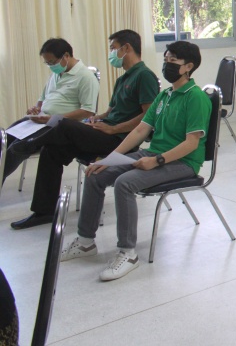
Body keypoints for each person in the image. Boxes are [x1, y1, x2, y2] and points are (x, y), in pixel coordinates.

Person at [59, 41, 211, 282]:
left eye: (173, 61)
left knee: (125, 183)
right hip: (154, 153)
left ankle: (128, 253)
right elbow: (141, 130)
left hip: (182, 162)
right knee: (96, 173)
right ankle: (86, 241)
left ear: (188, 67)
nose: (167, 64)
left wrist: (157, 160)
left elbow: (191, 143)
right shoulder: (165, 95)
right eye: (166, 59)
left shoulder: (196, 97)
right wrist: (110, 159)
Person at [9, 30, 160, 230]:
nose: (111, 53)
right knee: (52, 150)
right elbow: (111, 111)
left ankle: (29, 144)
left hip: (120, 141)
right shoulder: (123, 79)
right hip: (105, 132)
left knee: (64, 124)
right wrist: (97, 118)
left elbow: (148, 116)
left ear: (127, 48)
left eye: (113, 48)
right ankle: (44, 212)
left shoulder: (145, 76)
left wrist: (113, 129)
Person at [3, 38, 99, 183]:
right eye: (47, 63)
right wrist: (35, 109)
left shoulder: (86, 77)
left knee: (18, 147)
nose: (51, 66)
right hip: (41, 120)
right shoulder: (55, 74)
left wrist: (54, 118)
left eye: (52, 62)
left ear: (66, 56)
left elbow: (87, 111)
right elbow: (42, 100)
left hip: (60, 125)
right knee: (5, 138)